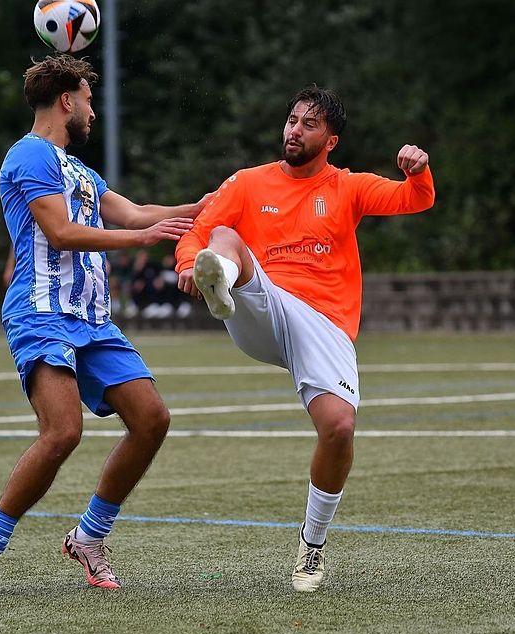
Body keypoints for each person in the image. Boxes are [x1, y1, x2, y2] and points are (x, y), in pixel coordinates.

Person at [0, 54, 208, 593]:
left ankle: (90, 536)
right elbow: (61, 233)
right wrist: (141, 240)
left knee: (152, 419)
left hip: (92, 319)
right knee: (63, 431)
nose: (94, 112)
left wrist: (208, 207)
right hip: (42, 313)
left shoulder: (80, 170)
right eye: (89, 100)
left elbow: (140, 212)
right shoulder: (28, 155)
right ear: (67, 101)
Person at [174, 86, 435, 592]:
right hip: (262, 304)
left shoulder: (349, 186)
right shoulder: (248, 183)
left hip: (324, 321)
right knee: (223, 238)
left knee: (338, 429)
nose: (294, 130)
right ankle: (218, 280)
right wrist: (189, 264)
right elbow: (197, 228)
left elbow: (415, 199)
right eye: (292, 120)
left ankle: (311, 546)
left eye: (308, 124)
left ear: (331, 140)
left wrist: (418, 168)